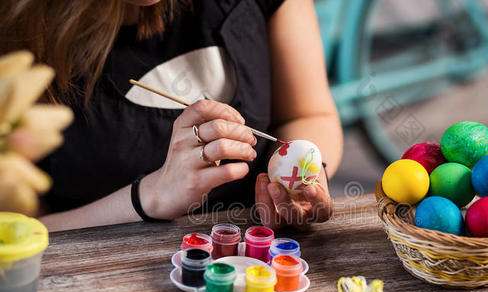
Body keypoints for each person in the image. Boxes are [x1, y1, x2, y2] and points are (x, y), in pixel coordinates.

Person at [0, 0, 342, 231]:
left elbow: (309, 113)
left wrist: (301, 176)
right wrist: (147, 197)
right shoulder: (14, 36)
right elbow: (16, 233)